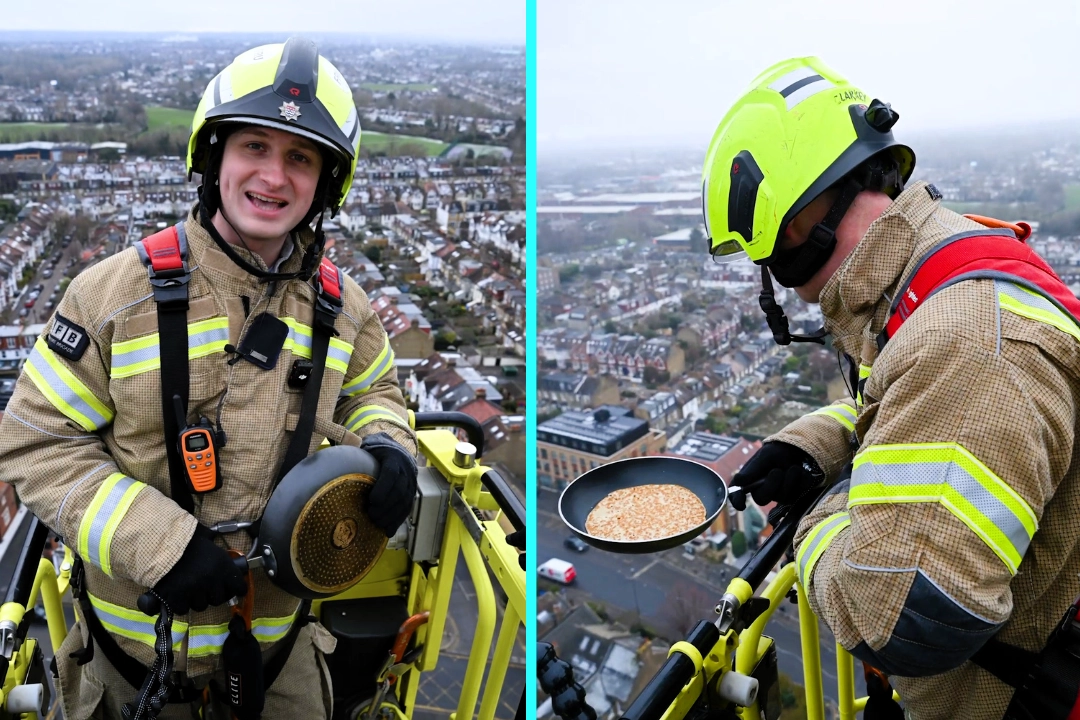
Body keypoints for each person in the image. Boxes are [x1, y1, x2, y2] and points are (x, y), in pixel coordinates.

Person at [0, 37, 418, 719]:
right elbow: (35, 442)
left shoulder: (345, 310)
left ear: (325, 184)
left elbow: (375, 392)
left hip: (278, 662)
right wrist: (159, 544)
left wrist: (389, 444)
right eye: (255, 146)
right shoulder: (112, 297)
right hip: (129, 670)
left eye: (301, 157)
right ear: (214, 155)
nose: (274, 176)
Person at [702, 56, 1080, 720]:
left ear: (793, 232)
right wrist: (816, 444)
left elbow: (897, 616)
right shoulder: (943, 263)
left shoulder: (965, 337)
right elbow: (910, 395)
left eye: (765, 255)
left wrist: (818, 522)